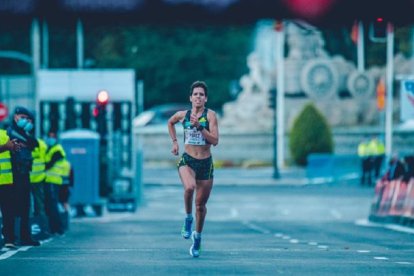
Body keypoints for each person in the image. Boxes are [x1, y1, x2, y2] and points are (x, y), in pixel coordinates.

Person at [167, 81, 219, 258]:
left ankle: (197, 238)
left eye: (201, 94)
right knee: (189, 188)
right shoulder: (183, 115)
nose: (198, 97)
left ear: (205, 99)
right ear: (190, 98)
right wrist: (175, 142)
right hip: (188, 160)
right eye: (195, 94)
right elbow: (170, 122)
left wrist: (199, 127)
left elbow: (215, 140)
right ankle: (188, 219)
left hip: (205, 163)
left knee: (201, 206)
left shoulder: (210, 116)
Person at [7, 106, 40, 246]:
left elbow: (34, 144)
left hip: (24, 174)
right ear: (15, 117)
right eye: (23, 118)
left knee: (25, 207)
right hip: (13, 175)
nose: (26, 121)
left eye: (28, 119)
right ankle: (11, 237)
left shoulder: (24, 134)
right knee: (12, 207)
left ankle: (25, 236)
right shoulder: (11, 133)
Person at [0, 129, 22, 249]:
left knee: (8, 212)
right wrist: (6, 147)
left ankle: (9, 238)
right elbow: (5, 148)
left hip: (6, 181)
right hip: (6, 181)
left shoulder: (4, 134)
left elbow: (11, 151)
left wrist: (14, 148)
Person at [44, 130, 69, 235]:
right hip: (49, 181)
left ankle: (58, 228)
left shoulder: (57, 150)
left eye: (53, 137)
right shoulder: (50, 149)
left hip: (53, 181)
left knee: (53, 205)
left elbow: (48, 165)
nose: (51, 139)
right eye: (49, 136)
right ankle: (55, 228)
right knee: (51, 205)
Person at [30, 137, 50, 239]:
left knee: (27, 206)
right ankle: (44, 229)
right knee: (40, 205)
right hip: (39, 179)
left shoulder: (24, 141)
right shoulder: (43, 144)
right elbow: (47, 160)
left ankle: (29, 230)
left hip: (27, 178)